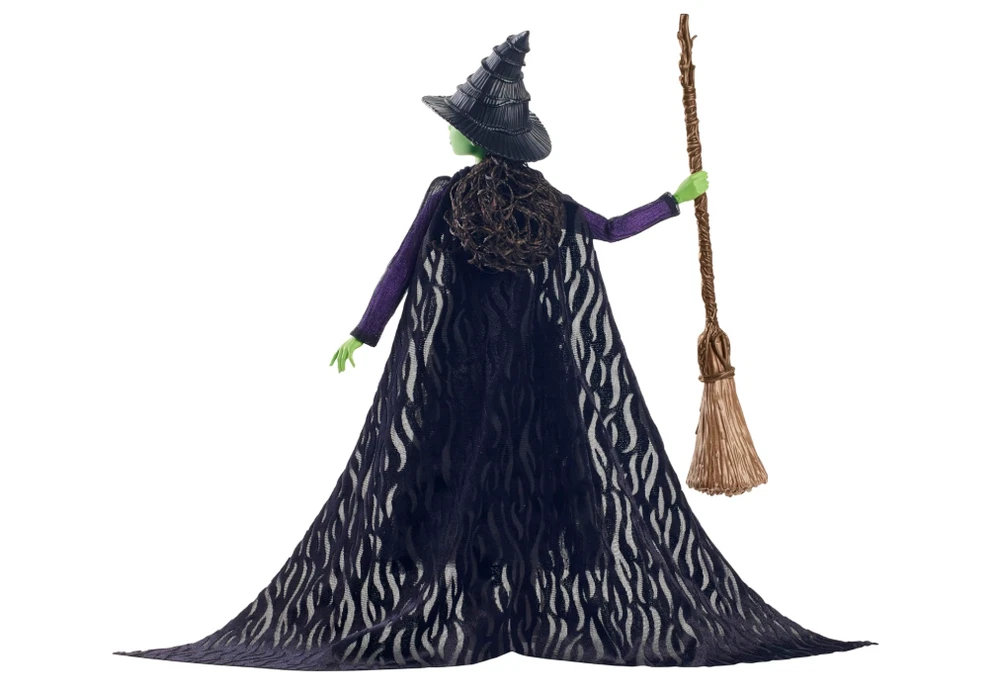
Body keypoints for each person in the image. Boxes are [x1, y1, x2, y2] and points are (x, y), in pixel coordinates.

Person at [117, 30, 871, 670]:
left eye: (457, 121)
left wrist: (363, 331)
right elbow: (610, 230)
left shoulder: (448, 194)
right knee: (531, 472)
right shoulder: (546, 202)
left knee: (454, 468)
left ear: (477, 137)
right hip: (539, 365)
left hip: (462, 365)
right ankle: (505, 603)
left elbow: (401, 267)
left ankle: (485, 600)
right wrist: (673, 201)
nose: (448, 130)